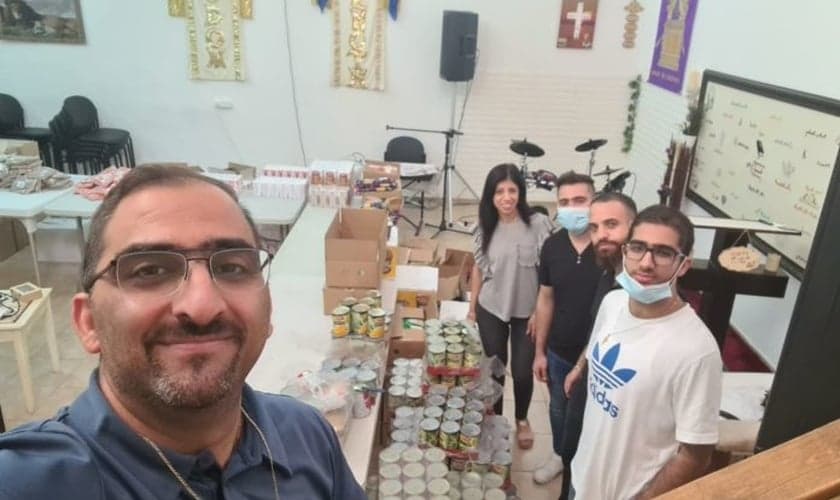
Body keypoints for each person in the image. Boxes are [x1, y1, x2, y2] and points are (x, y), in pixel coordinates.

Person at [0, 166, 366, 499]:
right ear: (89, 322)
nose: (202, 306)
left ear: (268, 309)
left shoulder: (308, 435)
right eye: (149, 271)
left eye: (232, 267)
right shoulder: (26, 483)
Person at [568, 205, 722, 499]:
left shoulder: (696, 351)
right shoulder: (613, 302)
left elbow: (696, 453)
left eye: (663, 253)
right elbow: (598, 339)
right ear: (625, 251)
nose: (646, 263)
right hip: (582, 478)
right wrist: (579, 367)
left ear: (684, 265)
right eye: (638, 248)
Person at [468, 163, 554, 449]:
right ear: (490, 196)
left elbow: (549, 274)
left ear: (521, 192)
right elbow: (479, 270)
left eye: (512, 190)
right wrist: (471, 308)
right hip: (491, 306)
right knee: (494, 367)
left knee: (520, 370)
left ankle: (521, 419)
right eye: (499, 192)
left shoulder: (538, 224)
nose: (506, 197)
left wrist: (538, 313)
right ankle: (496, 420)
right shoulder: (485, 227)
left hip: (527, 314)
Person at [531, 172, 602, 486]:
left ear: (594, 202)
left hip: (601, 356)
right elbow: (545, 299)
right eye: (564, 202)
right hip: (560, 350)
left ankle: (585, 465)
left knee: (593, 417)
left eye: (580, 200)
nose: (572, 207)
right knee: (559, 409)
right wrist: (539, 353)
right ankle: (560, 455)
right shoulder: (552, 247)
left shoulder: (610, 249)